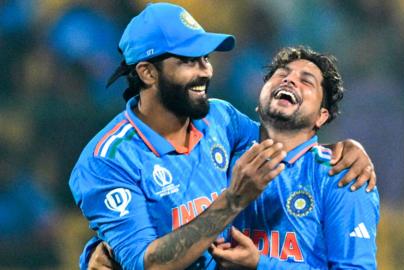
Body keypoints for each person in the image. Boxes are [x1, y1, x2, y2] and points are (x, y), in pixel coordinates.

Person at [70, 3, 376, 270]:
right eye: (189, 61)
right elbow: (147, 264)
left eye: (205, 58)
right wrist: (234, 200)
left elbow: (284, 139)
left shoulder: (220, 119)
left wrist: (346, 147)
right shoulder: (106, 160)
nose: (206, 71)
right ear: (148, 73)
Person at [210, 47, 379, 269]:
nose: (289, 80)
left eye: (306, 81)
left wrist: (260, 265)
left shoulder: (342, 175)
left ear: (321, 116)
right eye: (282, 74)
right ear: (259, 101)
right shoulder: (222, 155)